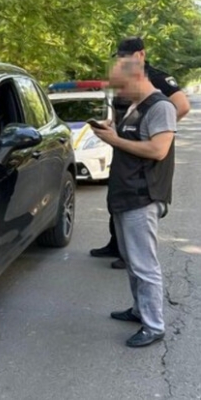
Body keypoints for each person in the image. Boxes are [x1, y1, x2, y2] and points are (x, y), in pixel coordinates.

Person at [92, 56, 176, 347]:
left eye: (121, 85)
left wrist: (114, 140)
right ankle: (140, 310)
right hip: (125, 194)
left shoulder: (161, 107)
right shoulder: (134, 106)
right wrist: (111, 132)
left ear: (138, 77)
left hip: (143, 196)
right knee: (131, 260)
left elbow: (158, 150)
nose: (119, 92)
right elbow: (132, 141)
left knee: (144, 265)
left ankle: (154, 326)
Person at [90, 37, 190, 269]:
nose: (123, 60)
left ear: (141, 54)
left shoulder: (156, 78)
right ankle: (117, 244)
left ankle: (129, 253)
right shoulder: (122, 76)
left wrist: (157, 129)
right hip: (124, 144)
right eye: (120, 56)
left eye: (127, 55)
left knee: (137, 206)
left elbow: (182, 106)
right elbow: (120, 110)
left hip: (143, 153)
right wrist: (115, 127)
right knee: (119, 197)